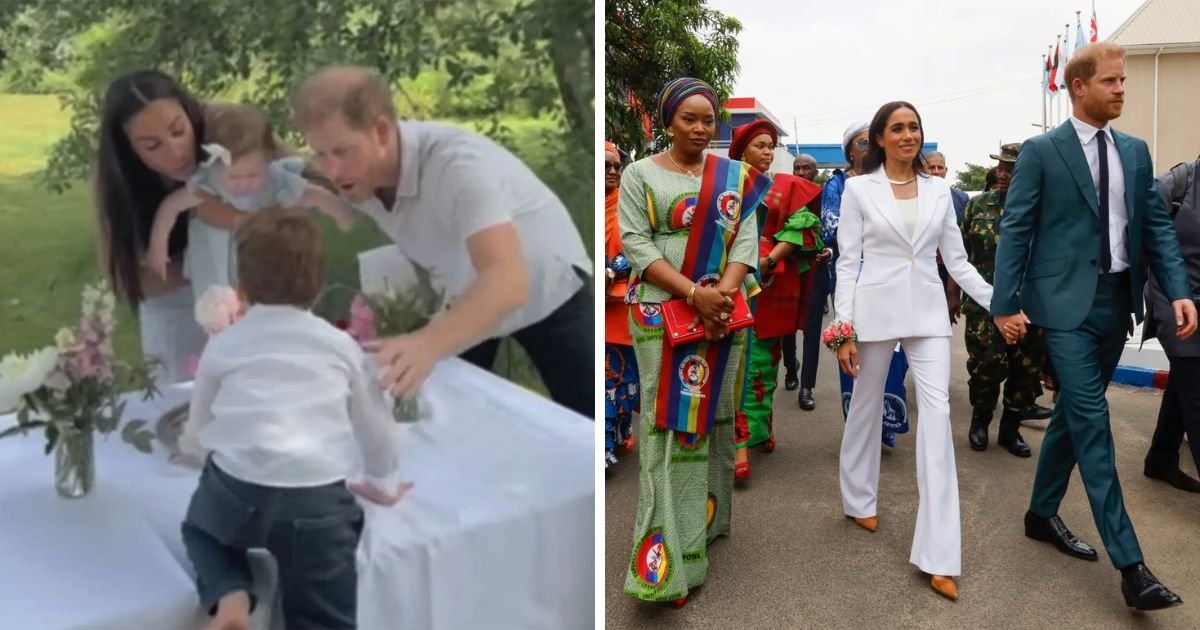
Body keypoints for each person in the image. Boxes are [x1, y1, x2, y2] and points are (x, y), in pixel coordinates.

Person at [992, 42, 1195, 611]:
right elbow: (1016, 228)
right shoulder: (1042, 151)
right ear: (1078, 87)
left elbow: (1156, 226)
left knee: (1072, 421)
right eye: (1112, 81)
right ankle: (1132, 567)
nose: (1122, 89)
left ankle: (1040, 513)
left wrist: (1178, 291)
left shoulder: (1135, 151)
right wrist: (1005, 303)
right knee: (1093, 423)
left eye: (1124, 81)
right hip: (1062, 310)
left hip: (1117, 305)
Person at [292, 66, 592, 417]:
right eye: (320, 154)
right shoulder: (360, 172)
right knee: (450, 408)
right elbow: (279, 168)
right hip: (463, 290)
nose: (332, 171)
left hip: (547, 283)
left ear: (382, 131)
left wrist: (428, 343)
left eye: (342, 152)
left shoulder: (458, 166)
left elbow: (508, 283)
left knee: (590, 422)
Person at [179, 210, 412, 630]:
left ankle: (230, 593)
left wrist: (197, 456)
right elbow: (376, 429)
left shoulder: (225, 343)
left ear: (242, 287)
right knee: (324, 613)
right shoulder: (340, 346)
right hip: (315, 502)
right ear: (318, 287)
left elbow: (200, 428)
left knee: (202, 532)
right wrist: (382, 480)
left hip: (237, 491)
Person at [832, 101, 993, 601]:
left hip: (926, 316)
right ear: (879, 138)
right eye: (897, 128)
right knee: (865, 404)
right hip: (874, 311)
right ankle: (858, 497)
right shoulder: (860, 189)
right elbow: (847, 263)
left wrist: (1002, 302)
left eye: (914, 127)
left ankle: (939, 555)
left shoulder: (941, 190)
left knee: (938, 419)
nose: (908, 135)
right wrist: (843, 330)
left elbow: (958, 262)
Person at [618, 77, 766, 607]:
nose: (701, 128)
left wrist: (720, 298)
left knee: (714, 417)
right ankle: (665, 561)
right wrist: (693, 295)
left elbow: (744, 242)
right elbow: (635, 243)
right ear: (667, 121)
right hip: (660, 314)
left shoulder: (735, 176)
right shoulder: (639, 175)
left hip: (722, 315)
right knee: (669, 423)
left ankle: (705, 527)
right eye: (690, 119)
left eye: (709, 120)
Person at [93, 70, 244, 384]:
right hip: (174, 308)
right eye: (151, 146)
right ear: (128, 150)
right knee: (183, 406)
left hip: (251, 284)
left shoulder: (228, 128)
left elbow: (300, 183)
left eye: (178, 131)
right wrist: (202, 277)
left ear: (190, 113)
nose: (175, 152)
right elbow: (126, 280)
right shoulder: (118, 183)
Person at [145, 103, 355, 293]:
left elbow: (311, 193)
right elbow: (171, 207)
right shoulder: (209, 181)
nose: (244, 183)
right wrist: (158, 248)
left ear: (267, 160)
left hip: (262, 264)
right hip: (215, 264)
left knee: (270, 297)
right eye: (234, 177)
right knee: (217, 311)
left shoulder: (275, 179)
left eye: (253, 175)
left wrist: (340, 212)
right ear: (216, 164)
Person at [727, 122, 823, 482]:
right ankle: (738, 442)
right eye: (760, 146)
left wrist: (766, 259)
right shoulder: (723, 186)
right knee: (734, 365)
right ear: (741, 152)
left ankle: (760, 429)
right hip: (726, 284)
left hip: (766, 286)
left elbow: (804, 227)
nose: (768, 152)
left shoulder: (783, 187)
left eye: (771, 146)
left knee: (763, 364)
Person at [823, 120, 910, 444]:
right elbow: (831, 229)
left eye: (870, 143)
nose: (868, 149)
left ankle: (886, 419)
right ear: (849, 151)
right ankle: (862, 423)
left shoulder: (891, 181)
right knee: (855, 347)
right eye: (861, 144)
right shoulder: (838, 185)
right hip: (853, 280)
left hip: (893, 279)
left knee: (895, 350)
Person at [959, 143, 1046, 457]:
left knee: (1025, 370)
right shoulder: (977, 206)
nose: (1004, 173)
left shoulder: (1044, 209)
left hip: (1031, 305)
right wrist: (952, 296)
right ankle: (979, 421)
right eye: (1001, 166)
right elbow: (959, 257)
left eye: (1012, 168)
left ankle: (1010, 430)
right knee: (986, 366)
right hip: (984, 303)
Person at [1142, 156, 1200, 493]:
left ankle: (1161, 459)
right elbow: (1143, 246)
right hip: (1173, 300)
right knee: (1196, 389)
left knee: (1184, 383)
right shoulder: (1175, 185)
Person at [782, 153, 831, 398]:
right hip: (789, 269)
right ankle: (791, 368)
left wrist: (829, 251)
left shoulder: (825, 198)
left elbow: (836, 232)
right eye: (797, 168)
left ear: (815, 171)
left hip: (815, 270)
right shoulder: (785, 194)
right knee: (786, 325)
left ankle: (807, 386)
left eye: (806, 169)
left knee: (812, 330)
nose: (800, 173)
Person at [604, 140, 639, 472]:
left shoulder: (627, 205)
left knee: (620, 378)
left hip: (620, 306)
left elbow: (637, 243)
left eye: (616, 166)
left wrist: (611, 270)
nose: (612, 171)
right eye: (604, 166)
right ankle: (600, 448)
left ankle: (616, 438)